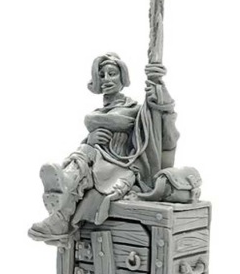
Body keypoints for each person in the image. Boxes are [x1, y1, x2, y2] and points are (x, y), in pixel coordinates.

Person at [29, 53, 179, 243]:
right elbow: (91, 146)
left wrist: (160, 93)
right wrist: (91, 140)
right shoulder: (97, 113)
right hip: (96, 163)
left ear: (122, 77)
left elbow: (164, 125)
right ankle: (61, 207)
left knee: (85, 156)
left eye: (112, 73)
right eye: (102, 75)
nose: (106, 79)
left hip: (121, 167)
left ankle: (64, 188)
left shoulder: (136, 110)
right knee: (85, 152)